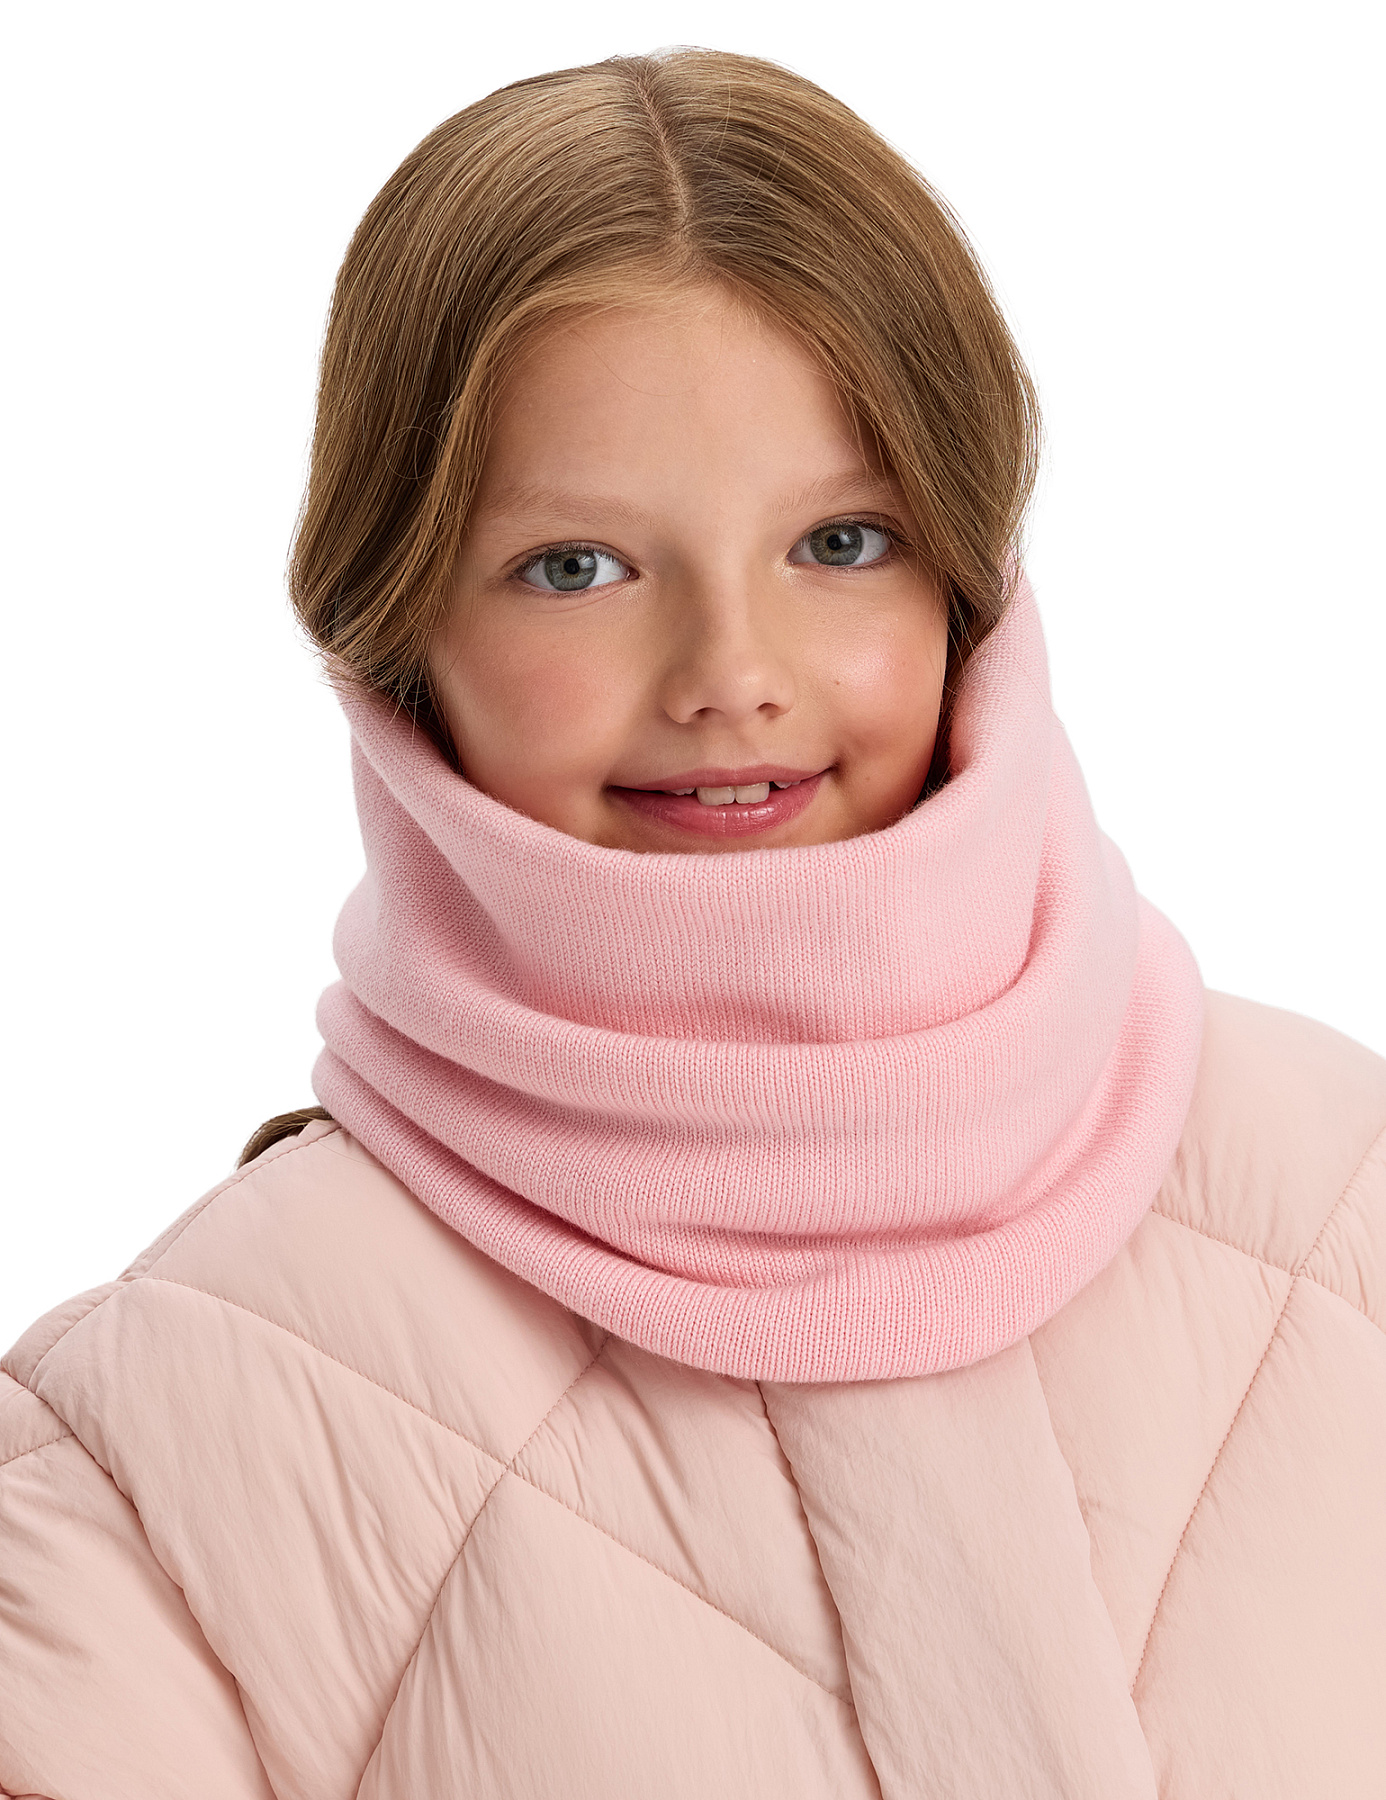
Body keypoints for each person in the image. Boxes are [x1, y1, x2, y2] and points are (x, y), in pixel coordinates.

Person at [1, 46, 1381, 1800]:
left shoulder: (1341, 1193)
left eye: (841, 542)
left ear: (969, 580)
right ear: (395, 631)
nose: (731, 674)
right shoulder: (152, 1445)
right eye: (575, 567)